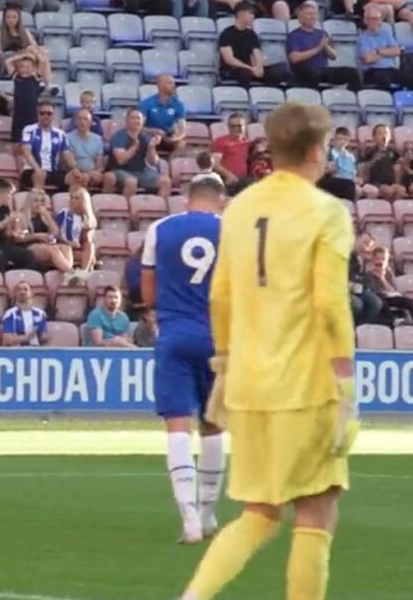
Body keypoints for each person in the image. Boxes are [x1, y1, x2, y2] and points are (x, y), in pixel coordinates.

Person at [177, 102, 357, 600]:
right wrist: (345, 383)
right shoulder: (326, 212)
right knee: (316, 509)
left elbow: (220, 296)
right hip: (305, 385)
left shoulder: (239, 209)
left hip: (250, 384)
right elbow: (330, 303)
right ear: (319, 152)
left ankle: (192, 597)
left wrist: (227, 366)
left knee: (258, 513)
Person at [141, 175, 226, 545]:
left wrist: (162, 315)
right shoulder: (233, 230)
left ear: (188, 198)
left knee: (177, 426)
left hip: (174, 334)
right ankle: (207, 513)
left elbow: (147, 289)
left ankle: (188, 517)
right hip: (219, 339)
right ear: (220, 199)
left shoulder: (160, 229)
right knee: (214, 426)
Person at [286, 2, 361, 91]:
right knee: (313, 73)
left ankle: (353, 97)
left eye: (314, 14)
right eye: (308, 14)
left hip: (323, 69)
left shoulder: (322, 34)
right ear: (300, 17)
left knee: (352, 72)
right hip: (303, 70)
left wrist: (325, 46)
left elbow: (333, 57)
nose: (312, 17)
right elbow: (294, 58)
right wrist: (318, 48)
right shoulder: (294, 35)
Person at [218, 2, 292, 87]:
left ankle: (269, 94)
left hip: (251, 68)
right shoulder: (227, 34)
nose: (253, 16)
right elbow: (229, 59)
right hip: (234, 69)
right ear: (241, 14)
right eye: (250, 13)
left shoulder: (251, 34)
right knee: (245, 73)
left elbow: (257, 53)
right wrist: (250, 68)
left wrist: (259, 68)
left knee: (280, 70)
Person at [107, 108, 172, 200]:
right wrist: (134, 147)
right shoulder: (119, 136)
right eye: (132, 118)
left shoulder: (145, 137)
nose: (136, 121)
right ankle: (127, 211)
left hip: (141, 171)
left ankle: (158, 209)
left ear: (143, 121)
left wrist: (151, 147)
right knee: (131, 182)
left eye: (138, 118)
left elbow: (152, 162)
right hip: (120, 170)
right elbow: (121, 160)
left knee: (165, 181)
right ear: (127, 120)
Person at [12, 189, 74, 274]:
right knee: (54, 250)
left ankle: (68, 273)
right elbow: (18, 238)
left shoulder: (44, 216)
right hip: (28, 245)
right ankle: (72, 273)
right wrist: (37, 236)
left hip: (45, 244)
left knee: (66, 248)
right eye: (36, 201)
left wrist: (46, 215)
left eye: (42, 201)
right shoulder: (21, 216)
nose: (39, 204)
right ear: (29, 202)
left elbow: (56, 233)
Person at [20, 100, 70, 192]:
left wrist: (75, 169)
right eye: (42, 113)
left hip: (53, 171)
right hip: (31, 170)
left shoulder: (60, 134)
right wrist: (37, 169)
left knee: (74, 178)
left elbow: (67, 154)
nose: (45, 116)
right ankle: (38, 202)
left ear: (53, 116)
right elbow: (26, 151)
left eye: (49, 113)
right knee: (40, 175)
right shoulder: (29, 130)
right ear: (38, 115)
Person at [55, 186, 98, 281]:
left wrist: (86, 230)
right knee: (88, 258)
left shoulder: (88, 218)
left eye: (77, 198)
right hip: (63, 246)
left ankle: (83, 274)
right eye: (72, 197)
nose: (73, 200)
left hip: (78, 249)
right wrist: (68, 243)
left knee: (90, 246)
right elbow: (56, 233)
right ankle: (81, 275)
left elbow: (85, 242)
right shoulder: (63, 213)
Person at [139, 74, 187, 156]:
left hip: (168, 136)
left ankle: (172, 166)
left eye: (173, 83)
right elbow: (139, 128)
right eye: (170, 83)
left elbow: (183, 130)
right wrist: (153, 131)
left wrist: (175, 138)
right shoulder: (147, 103)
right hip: (151, 136)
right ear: (160, 86)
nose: (174, 86)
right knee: (145, 141)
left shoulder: (178, 104)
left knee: (181, 144)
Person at [357, 7, 402, 89]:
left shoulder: (386, 34)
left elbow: (397, 51)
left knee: (409, 77)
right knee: (384, 78)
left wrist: (377, 52)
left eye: (377, 19)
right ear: (365, 21)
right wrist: (388, 52)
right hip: (372, 71)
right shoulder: (362, 38)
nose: (374, 22)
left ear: (380, 21)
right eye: (371, 19)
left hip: (390, 70)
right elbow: (369, 59)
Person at [64, 109, 109, 191]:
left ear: (91, 123)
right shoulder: (68, 138)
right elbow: (70, 162)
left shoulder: (98, 139)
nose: (82, 122)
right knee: (79, 178)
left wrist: (92, 173)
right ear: (75, 121)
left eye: (85, 119)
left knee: (106, 178)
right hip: (74, 172)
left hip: (93, 173)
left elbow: (100, 165)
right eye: (80, 119)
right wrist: (83, 174)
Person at [359, 124, 403, 201]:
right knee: (387, 191)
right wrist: (374, 160)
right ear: (374, 137)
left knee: (401, 190)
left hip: (391, 182)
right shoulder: (370, 151)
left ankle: (394, 209)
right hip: (377, 183)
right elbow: (362, 168)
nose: (383, 136)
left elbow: (399, 163)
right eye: (379, 134)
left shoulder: (393, 151)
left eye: (386, 133)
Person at [0, 281, 50, 347]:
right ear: (15, 294)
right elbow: (6, 340)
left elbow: (44, 336)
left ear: (32, 293)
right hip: (16, 353)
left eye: (25, 289)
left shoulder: (40, 314)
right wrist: (26, 337)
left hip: (36, 352)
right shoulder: (10, 314)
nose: (22, 292)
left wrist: (44, 337)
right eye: (19, 290)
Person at [211, 113, 251, 194]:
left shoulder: (248, 143)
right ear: (228, 127)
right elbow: (215, 163)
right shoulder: (221, 141)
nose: (236, 128)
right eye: (233, 126)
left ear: (245, 127)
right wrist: (229, 175)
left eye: (239, 126)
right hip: (226, 181)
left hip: (244, 181)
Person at [319, 127, 358, 201]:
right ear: (334, 140)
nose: (342, 142)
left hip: (348, 180)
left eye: (345, 140)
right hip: (332, 180)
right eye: (339, 139)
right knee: (350, 185)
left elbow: (353, 172)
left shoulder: (351, 156)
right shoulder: (327, 154)